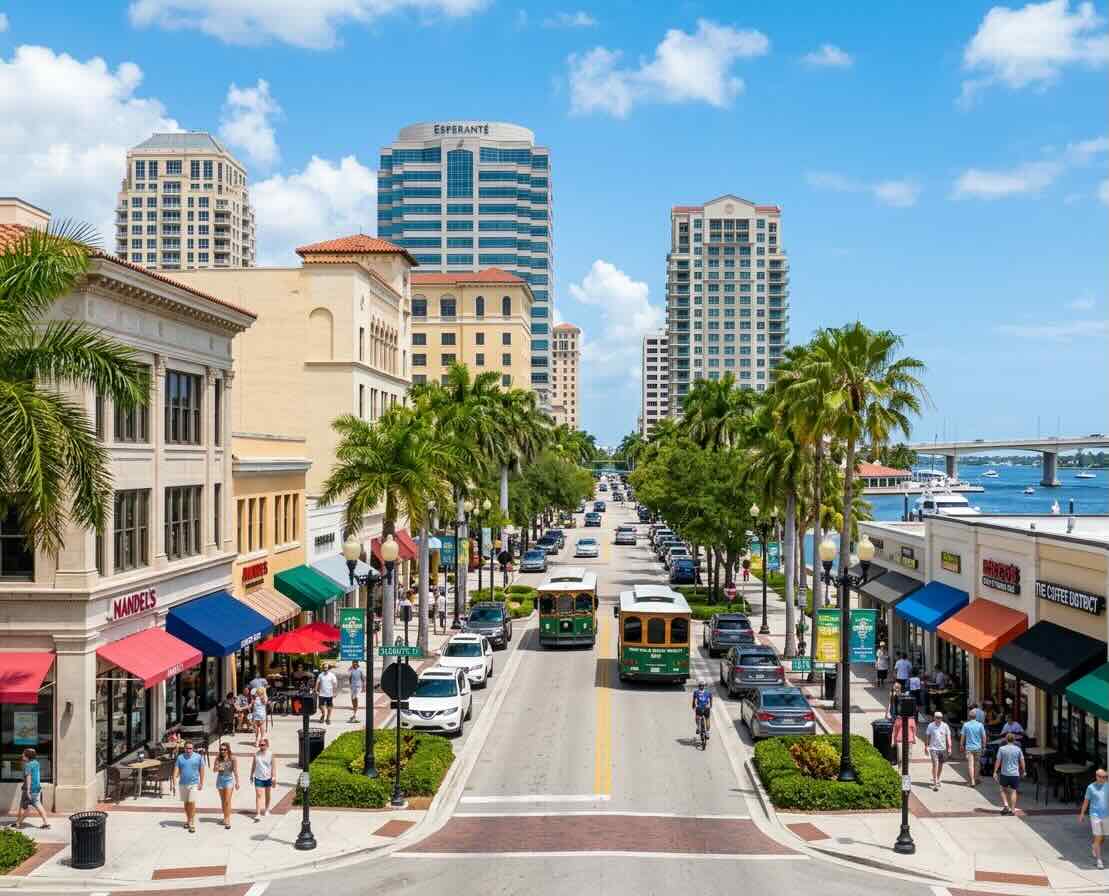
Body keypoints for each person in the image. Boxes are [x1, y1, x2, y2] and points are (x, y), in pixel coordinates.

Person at [173, 742, 205, 833]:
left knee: (191, 802)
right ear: (184, 748)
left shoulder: (198, 757)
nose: (189, 750)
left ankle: (192, 823)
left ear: (193, 749)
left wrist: (201, 783)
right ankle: (188, 819)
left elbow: (202, 770)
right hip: (183, 783)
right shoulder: (180, 758)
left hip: (194, 783)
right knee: (186, 803)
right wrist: (174, 782)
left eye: (190, 748)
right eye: (187, 748)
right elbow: (176, 770)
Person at [13, 748, 49, 829]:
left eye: (23, 754)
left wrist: (28, 790)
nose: (22, 755)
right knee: (38, 805)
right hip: (37, 788)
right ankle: (46, 823)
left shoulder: (28, 765)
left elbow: (28, 777)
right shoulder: (36, 763)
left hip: (29, 789)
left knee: (23, 807)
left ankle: (18, 824)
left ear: (27, 756)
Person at [1078, 768, 1107, 870]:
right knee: (1098, 836)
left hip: (1106, 815)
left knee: (1102, 837)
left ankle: (1094, 845)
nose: (1103, 779)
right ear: (1096, 777)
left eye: (1105, 777)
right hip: (1095, 815)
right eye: (1101, 777)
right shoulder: (1090, 787)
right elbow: (1086, 802)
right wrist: (1082, 814)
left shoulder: (1108, 786)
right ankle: (1099, 860)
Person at [993, 732, 1025, 815]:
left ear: (1006, 740)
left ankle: (1006, 805)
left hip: (1005, 773)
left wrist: (995, 771)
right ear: (1014, 740)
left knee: (1002, 789)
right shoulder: (1018, 749)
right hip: (1015, 774)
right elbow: (1022, 761)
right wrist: (1024, 770)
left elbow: (998, 761)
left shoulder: (1002, 749)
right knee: (1013, 791)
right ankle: (1013, 809)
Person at [213, 743, 239, 830]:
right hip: (220, 780)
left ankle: (227, 819)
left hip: (229, 780)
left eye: (224, 749)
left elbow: (235, 770)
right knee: (223, 801)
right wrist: (218, 767)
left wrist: (237, 782)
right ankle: (225, 817)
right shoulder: (218, 758)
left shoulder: (232, 758)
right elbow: (214, 770)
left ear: (228, 750)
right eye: (221, 749)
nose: (223, 751)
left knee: (227, 800)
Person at [925, 711, 952, 791]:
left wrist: (949, 747)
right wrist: (926, 746)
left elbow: (948, 737)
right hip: (933, 748)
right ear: (934, 718)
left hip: (942, 749)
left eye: (940, 718)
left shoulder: (945, 726)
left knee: (940, 765)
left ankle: (938, 778)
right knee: (935, 765)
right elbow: (927, 736)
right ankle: (935, 782)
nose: (938, 719)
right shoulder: (930, 725)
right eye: (937, 717)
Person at [961, 710, 986, 786]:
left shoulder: (966, 725)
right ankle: (976, 779)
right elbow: (984, 736)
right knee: (977, 764)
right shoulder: (980, 725)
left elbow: (963, 736)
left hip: (969, 747)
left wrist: (961, 745)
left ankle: (972, 781)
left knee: (970, 764)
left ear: (969, 717)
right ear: (976, 717)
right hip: (978, 747)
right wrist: (984, 746)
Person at [250, 739, 274, 821]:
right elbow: (253, 765)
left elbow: (273, 766)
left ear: (267, 745)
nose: (261, 746)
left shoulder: (270, 754)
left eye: (263, 745)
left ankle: (267, 810)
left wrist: (274, 777)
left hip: (268, 777)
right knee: (258, 795)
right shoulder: (256, 754)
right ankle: (258, 813)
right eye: (260, 745)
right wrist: (251, 775)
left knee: (267, 794)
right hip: (258, 777)